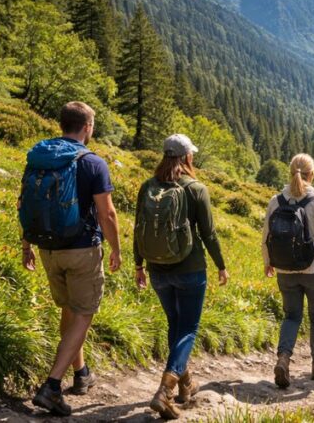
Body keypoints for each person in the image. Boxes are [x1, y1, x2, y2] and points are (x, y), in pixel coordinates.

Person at [22, 101, 121, 417]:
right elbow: (107, 213)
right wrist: (117, 249)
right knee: (83, 313)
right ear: (88, 127)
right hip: (82, 249)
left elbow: (27, 201)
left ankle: (81, 374)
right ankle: (52, 386)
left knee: (69, 309)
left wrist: (26, 244)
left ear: (62, 123)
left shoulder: (41, 156)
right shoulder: (93, 163)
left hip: (48, 248)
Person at [134, 134, 229, 420]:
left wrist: (138, 265)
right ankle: (165, 391)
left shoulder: (147, 187)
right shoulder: (196, 188)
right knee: (187, 329)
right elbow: (209, 234)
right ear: (187, 157)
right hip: (190, 270)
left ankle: (186, 385)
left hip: (157, 269)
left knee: (176, 326)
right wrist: (221, 265)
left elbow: (138, 228)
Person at [263, 154, 314, 389]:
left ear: (290, 173)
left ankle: (283, 358)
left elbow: (266, 237)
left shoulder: (275, 201)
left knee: (291, 316)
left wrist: (268, 262)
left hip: (285, 271)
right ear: (312, 175)